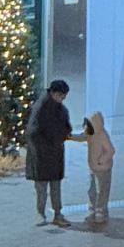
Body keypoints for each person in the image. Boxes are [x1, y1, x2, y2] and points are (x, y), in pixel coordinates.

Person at [25, 77, 78, 227]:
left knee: (54, 186)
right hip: (42, 154)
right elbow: (33, 132)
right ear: (54, 93)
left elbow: (67, 127)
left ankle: (57, 213)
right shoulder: (41, 108)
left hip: (54, 153)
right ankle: (40, 213)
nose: (62, 99)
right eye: (61, 96)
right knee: (42, 187)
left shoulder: (60, 109)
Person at [84, 113, 116, 227]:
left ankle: (100, 211)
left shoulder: (102, 135)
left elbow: (111, 150)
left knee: (101, 191)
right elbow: (81, 137)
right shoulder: (90, 135)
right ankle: (93, 209)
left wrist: (101, 161)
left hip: (103, 168)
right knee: (92, 190)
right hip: (93, 168)